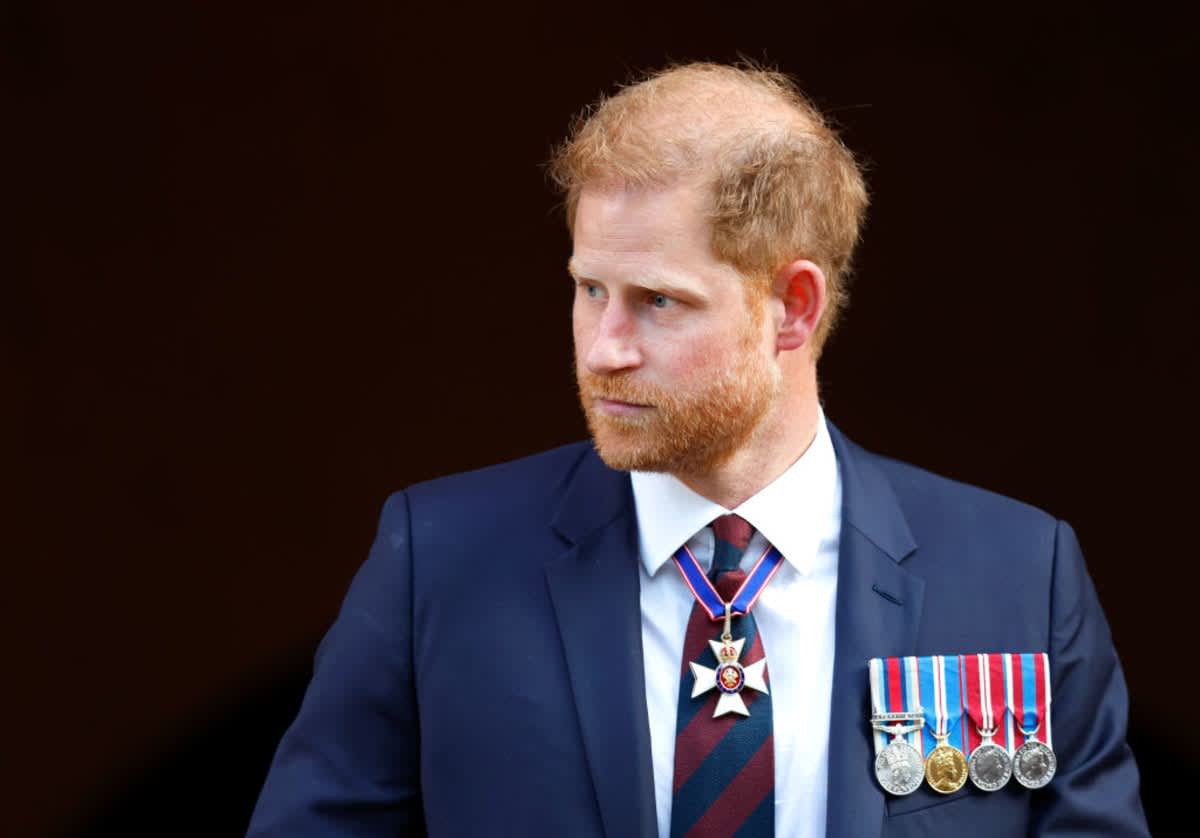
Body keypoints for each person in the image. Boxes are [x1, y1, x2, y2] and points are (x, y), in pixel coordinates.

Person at [247, 62, 1150, 837]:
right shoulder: (438, 562)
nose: (605, 346)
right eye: (590, 288)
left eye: (658, 301)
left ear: (793, 308)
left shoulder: (1018, 573)